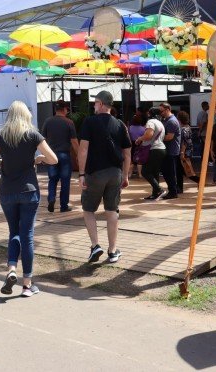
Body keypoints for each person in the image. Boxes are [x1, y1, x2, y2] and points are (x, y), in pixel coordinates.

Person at [0, 101, 57, 297]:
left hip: (7, 192)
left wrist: (7, 160)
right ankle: (27, 284)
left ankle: (11, 270)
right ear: (26, 114)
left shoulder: (0, 135)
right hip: (29, 191)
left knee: (14, 233)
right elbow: (54, 159)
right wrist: (38, 159)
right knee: (27, 235)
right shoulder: (33, 134)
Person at [78, 90, 131, 264]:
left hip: (95, 173)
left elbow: (83, 149)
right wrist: (125, 175)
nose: (94, 105)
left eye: (95, 102)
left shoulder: (89, 122)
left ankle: (95, 246)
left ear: (100, 104)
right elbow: (127, 153)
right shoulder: (120, 124)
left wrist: (81, 174)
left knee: (88, 209)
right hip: (115, 173)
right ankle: (113, 251)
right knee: (112, 210)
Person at [41, 100, 78, 212]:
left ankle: (52, 198)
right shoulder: (69, 122)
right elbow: (74, 142)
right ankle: (63, 206)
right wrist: (79, 155)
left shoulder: (48, 121)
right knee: (65, 181)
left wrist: (44, 155)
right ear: (65, 109)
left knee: (52, 179)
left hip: (51, 155)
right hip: (64, 155)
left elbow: (42, 140)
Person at [136, 107, 166, 200]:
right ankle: (155, 194)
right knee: (154, 172)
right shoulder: (160, 123)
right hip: (161, 149)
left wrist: (139, 139)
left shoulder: (151, 122)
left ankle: (159, 189)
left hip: (154, 149)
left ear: (150, 113)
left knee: (145, 171)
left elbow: (149, 135)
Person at [159, 102, 180, 198]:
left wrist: (157, 137)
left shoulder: (171, 121)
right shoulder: (166, 120)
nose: (160, 113)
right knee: (167, 172)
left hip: (171, 151)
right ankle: (173, 190)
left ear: (167, 110)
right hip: (168, 150)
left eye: (161, 111)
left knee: (170, 173)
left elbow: (169, 137)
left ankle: (173, 192)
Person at [177, 111, 199, 184]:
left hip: (185, 152)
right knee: (183, 169)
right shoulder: (188, 127)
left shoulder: (183, 129)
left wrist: (182, 152)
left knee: (187, 169)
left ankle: (199, 180)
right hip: (188, 151)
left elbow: (184, 142)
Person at [128, 114, 147, 178]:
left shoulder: (130, 128)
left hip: (131, 144)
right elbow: (144, 138)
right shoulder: (143, 129)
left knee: (131, 160)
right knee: (139, 160)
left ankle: (129, 174)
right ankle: (140, 174)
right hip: (140, 144)